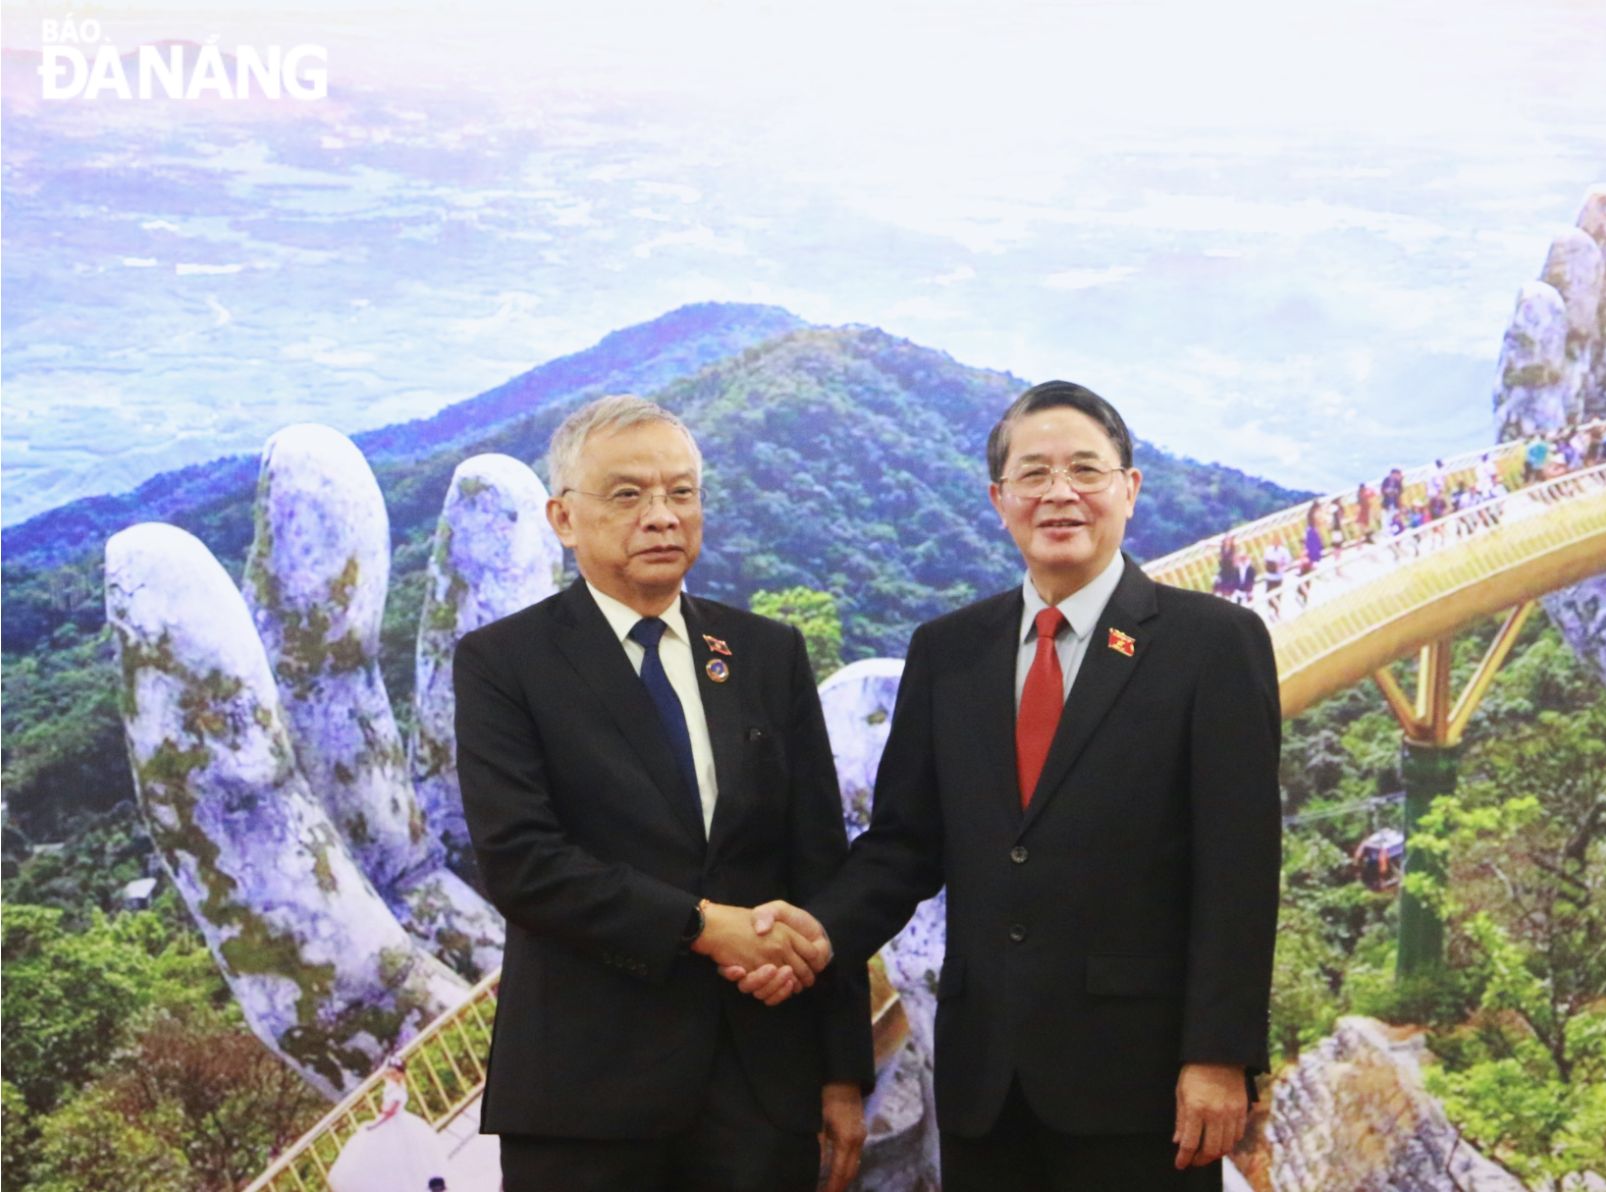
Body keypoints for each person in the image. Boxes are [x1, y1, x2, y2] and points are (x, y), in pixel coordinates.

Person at [734, 381, 1282, 1190]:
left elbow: (1239, 870)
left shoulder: (1213, 646)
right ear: (1000, 500)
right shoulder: (949, 651)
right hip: (985, 1081)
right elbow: (904, 851)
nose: (1059, 493)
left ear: (1129, 490)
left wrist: (1219, 1055)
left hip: (1143, 1085)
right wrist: (812, 936)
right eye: (1034, 474)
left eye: (1085, 471)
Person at [454, 395, 872, 1191]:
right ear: (563, 518)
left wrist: (841, 1071)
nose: (662, 516)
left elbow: (819, 866)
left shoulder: (763, 653)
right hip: (585, 1096)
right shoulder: (505, 663)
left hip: (761, 1088)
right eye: (628, 494)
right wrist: (699, 926)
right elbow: (522, 863)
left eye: (682, 492)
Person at [327, 1060, 445, 1192]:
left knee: (408, 1153)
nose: (391, 1075)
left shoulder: (398, 1090)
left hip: (396, 1123)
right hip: (392, 1121)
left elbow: (391, 1111)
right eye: (390, 1072)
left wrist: (375, 1124)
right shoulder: (392, 1085)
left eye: (395, 1073)